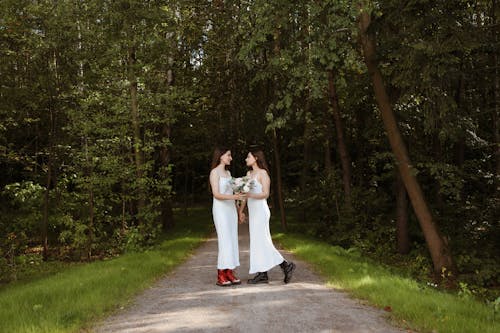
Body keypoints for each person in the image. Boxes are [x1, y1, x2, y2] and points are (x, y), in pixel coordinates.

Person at [238, 149, 296, 284]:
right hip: (253, 212)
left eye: (248, 156)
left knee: (263, 241)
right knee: (257, 242)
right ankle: (263, 274)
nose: (246, 159)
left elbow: (265, 194)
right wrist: (241, 211)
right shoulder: (248, 174)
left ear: (256, 158)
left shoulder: (263, 174)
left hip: (261, 211)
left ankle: (286, 265)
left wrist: (251, 195)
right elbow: (244, 195)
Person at [209, 146, 246, 287]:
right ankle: (221, 274)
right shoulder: (214, 173)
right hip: (220, 210)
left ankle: (229, 271)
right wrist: (234, 196)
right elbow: (216, 194)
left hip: (230, 210)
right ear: (221, 156)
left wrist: (239, 212)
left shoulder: (229, 173)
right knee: (224, 241)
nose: (230, 158)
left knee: (232, 240)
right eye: (228, 155)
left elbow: (233, 196)